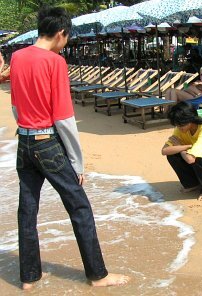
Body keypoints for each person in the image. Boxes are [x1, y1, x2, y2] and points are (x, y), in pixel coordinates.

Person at [10, 6, 130, 290]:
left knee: (27, 211)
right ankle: (98, 275)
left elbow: (16, 105)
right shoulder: (55, 62)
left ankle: (28, 278)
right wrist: (77, 162)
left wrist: (28, 127)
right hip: (47, 143)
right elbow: (64, 118)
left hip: (24, 141)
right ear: (61, 33)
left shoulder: (16, 57)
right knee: (80, 207)